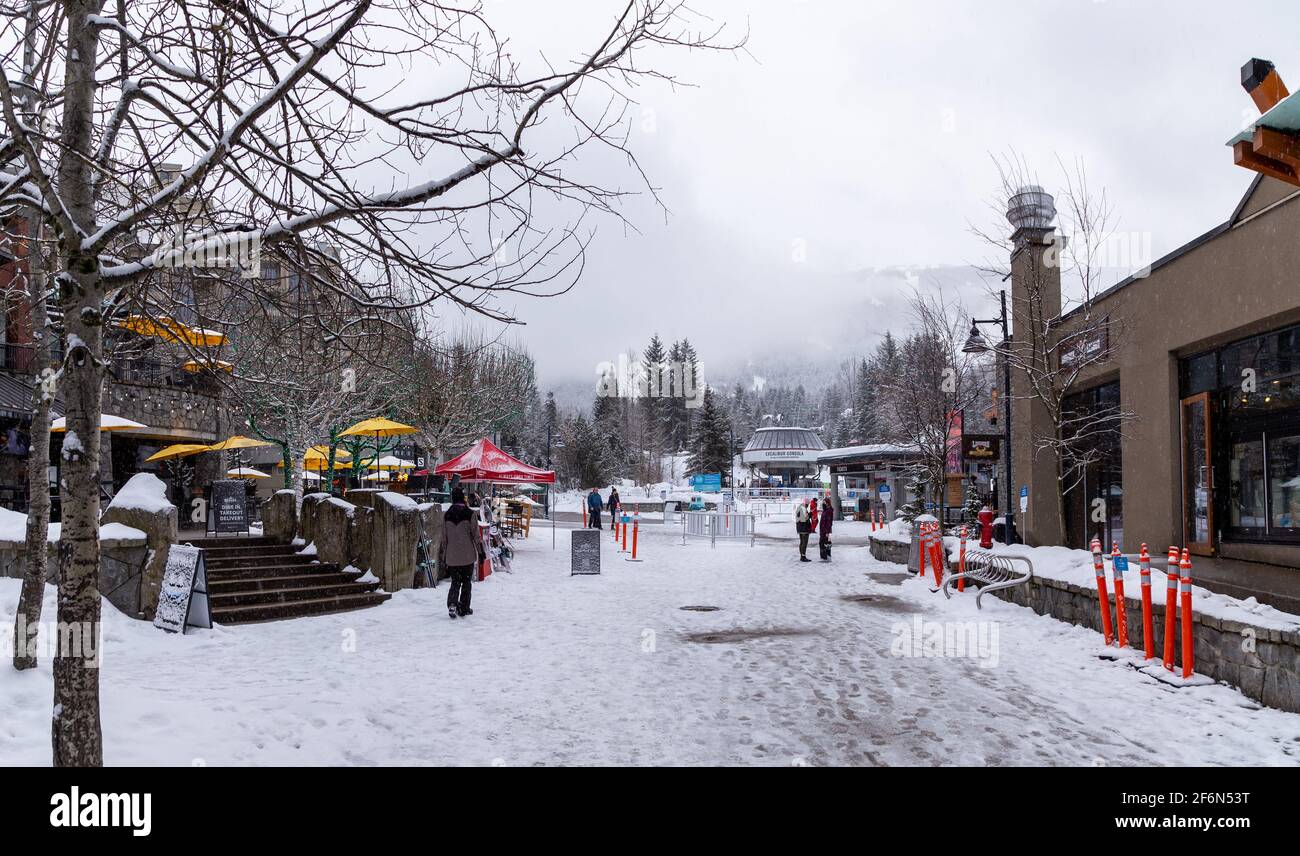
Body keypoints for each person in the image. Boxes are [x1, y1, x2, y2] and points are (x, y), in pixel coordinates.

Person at [439, 487, 482, 619]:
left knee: (455, 581)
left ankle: (452, 603)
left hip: (452, 556)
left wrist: (443, 555)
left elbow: (444, 539)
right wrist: (481, 552)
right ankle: (464, 608)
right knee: (466, 582)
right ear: (463, 498)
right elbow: (476, 535)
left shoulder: (446, 515)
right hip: (467, 555)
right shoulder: (470, 513)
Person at [794, 498, 812, 562]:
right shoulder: (803, 508)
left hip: (800, 528)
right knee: (804, 543)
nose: (808, 505)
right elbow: (804, 519)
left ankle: (802, 556)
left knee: (801, 542)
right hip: (804, 528)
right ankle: (803, 557)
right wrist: (810, 514)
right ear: (806, 503)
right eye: (808, 504)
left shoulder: (799, 507)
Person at [818, 496, 834, 561]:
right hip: (823, 530)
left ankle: (825, 556)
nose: (823, 504)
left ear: (827, 503)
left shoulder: (829, 511)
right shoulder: (825, 510)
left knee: (824, 543)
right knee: (824, 543)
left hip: (825, 530)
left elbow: (829, 522)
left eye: (824, 502)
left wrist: (827, 532)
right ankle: (824, 556)